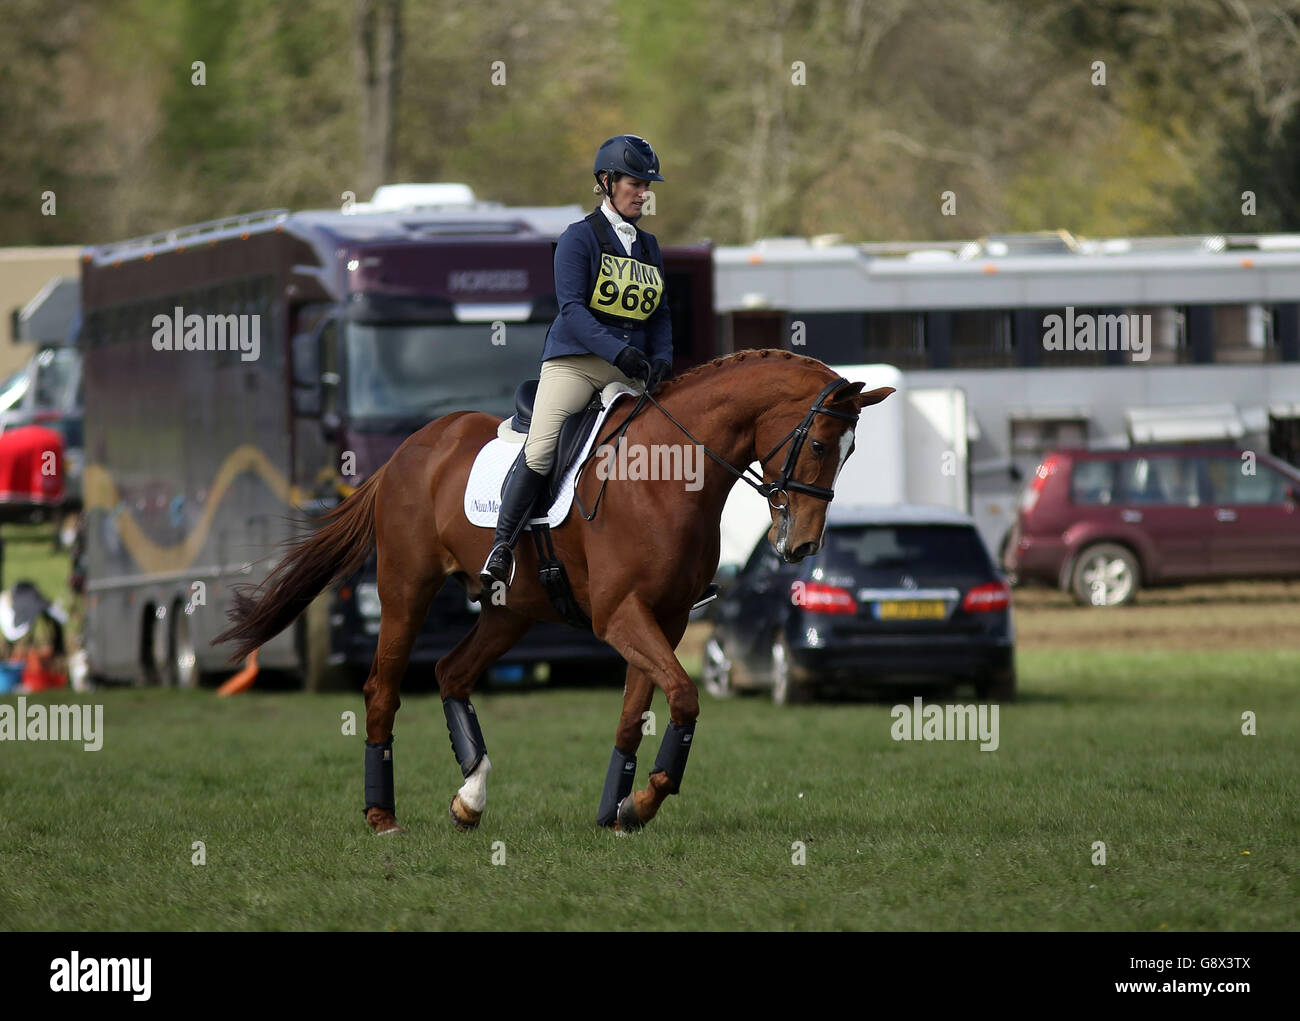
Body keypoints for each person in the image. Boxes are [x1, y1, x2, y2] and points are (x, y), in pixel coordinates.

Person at [479, 134, 673, 590]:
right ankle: (502, 547)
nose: (644, 193)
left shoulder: (650, 247)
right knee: (543, 448)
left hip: (630, 369)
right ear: (606, 182)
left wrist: (663, 357)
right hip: (576, 363)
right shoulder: (578, 238)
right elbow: (572, 310)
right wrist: (618, 351)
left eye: (647, 185)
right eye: (635, 183)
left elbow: (660, 312)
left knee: (662, 453)